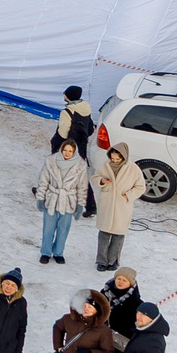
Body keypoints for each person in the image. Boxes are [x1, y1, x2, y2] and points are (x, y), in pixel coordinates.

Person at [35, 138, 89, 265]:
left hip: (68, 201)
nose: (67, 153)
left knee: (63, 229)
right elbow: (43, 181)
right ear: (61, 150)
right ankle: (45, 252)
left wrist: (80, 204)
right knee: (48, 229)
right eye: (65, 150)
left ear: (74, 152)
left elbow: (82, 187)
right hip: (52, 200)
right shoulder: (51, 162)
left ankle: (58, 253)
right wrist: (40, 198)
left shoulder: (80, 166)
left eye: (70, 151)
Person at [94, 143, 145, 271]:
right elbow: (95, 177)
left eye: (117, 159)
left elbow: (140, 187)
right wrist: (101, 181)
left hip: (122, 206)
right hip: (107, 204)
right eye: (113, 158)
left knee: (118, 234)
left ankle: (113, 261)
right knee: (104, 234)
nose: (115, 161)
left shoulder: (133, 169)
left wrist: (128, 196)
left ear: (124, 157)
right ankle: (101, 261)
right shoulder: (105, 165)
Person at [49, 85, 94, 156]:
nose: (64, 95)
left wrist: (54, 141)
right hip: (82, 142)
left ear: (69, 96)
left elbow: (63, 134)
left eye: (65, 94)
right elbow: (90, 127)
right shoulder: (86, 107)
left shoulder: (67, 112)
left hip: (70, 145)